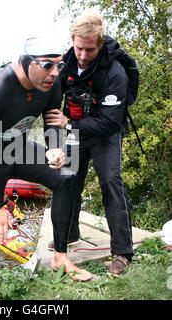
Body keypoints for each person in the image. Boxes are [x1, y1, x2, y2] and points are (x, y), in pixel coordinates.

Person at [0, 36, 92, 281]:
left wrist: (55, 147)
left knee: (67, 174)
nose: (55, 73)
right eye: (48, 65)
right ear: (27, 62)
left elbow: (52, 120)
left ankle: (60, 256)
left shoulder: (51, 82)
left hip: (19, 149)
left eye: (60, 65)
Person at [44, 12, 135, 275]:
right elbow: (52, 107)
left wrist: (68, 125)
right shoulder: (64, 65)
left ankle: (122, 252)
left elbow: (109, 123)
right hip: (75, 133)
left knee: (110, 182)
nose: (83, 55)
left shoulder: (116, 73)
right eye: (79, 47)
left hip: (105, 134)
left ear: (100, 41)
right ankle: (69, 234)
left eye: (90, 49)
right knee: (68, 181)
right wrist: (54, 142)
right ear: (72, 39)